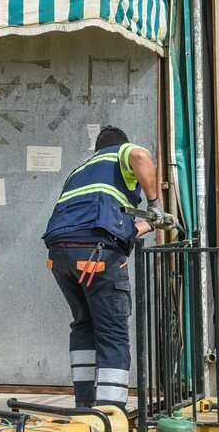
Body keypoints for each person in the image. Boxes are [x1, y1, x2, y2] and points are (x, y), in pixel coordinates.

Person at [44, 126, 173, 410]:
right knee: (112, 333)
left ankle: (84, 406)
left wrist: (149, 224)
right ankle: (110, 416)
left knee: (84, 325)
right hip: (96, 255)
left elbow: (107, 226)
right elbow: (140, 155)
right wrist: (155, 205)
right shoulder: (120, 153)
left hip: (60, 256)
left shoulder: (81, 171)